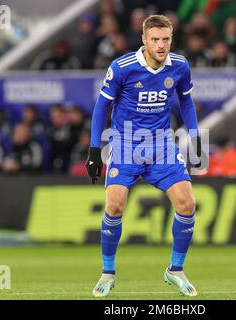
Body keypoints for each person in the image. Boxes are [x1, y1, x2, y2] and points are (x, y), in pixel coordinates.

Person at [86, 15, 202, 297]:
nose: (161, 45)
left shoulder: (180, 65)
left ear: (171, 39)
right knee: (115, 205)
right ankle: (107, 273)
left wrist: (196, 134)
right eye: (155, 39)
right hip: (126, 143)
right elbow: (102, 106)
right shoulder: (122, 67)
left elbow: (185, 100)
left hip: (162, 145)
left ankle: (175, 270)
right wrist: (93, 151)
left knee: (187, 203)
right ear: (144, 40)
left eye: (165, 39)